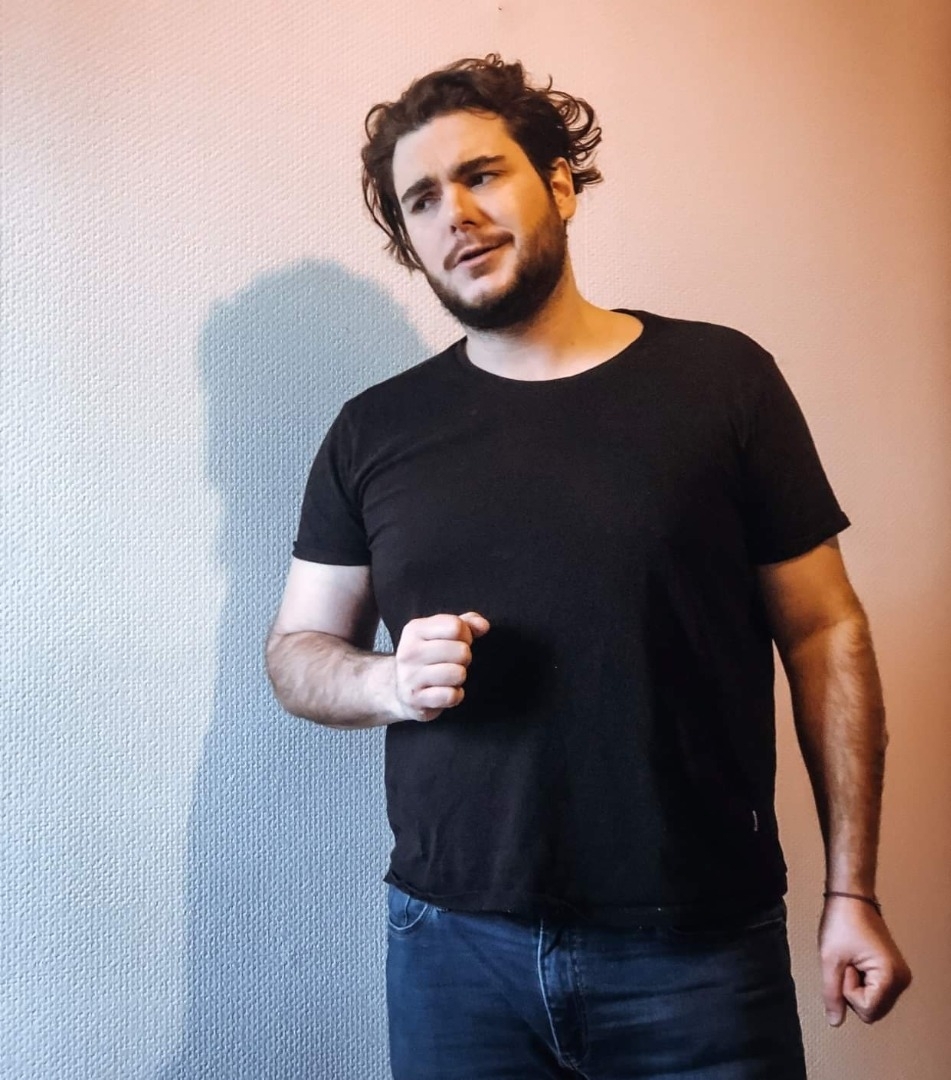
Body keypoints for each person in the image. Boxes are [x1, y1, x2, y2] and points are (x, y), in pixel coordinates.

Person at [266, 55, 911, 1079]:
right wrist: (386, 682)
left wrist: (851, 891)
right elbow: (298, 651)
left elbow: (824, 628)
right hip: (453, 952)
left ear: (559, 183)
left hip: (698, 949)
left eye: (482, 175)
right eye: (421, 200)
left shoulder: (722, 382)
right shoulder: (371, 432)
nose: (454, 214)